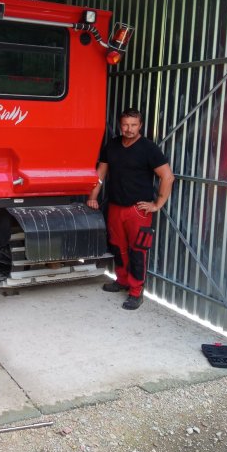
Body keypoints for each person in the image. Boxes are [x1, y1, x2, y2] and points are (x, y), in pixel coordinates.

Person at [87, 108, 174, 310]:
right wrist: (92, 198)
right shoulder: (113, 145)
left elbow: (167, 177)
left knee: (137, 252)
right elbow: (100, 175)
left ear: (140, 126)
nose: (129, 129)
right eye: (125, 125)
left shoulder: (149, 149)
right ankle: (122, 281)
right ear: (120, 125)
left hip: (138, 210)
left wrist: (157, 204)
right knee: (118, 247)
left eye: (133, 125)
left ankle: (136, 292)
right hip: (115, 207)